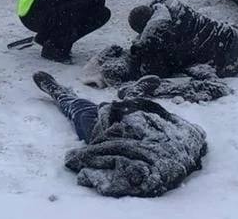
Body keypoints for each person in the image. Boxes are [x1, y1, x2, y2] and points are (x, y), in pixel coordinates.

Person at [32, 69, 208, 198]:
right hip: (137, 119)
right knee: (131, 107)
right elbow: (184, 130)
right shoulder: (165, 135)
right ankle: (133, 95)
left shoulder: (134, 151)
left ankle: (62, 95)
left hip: (111, 130)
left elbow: (85, 158)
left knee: (82, 111)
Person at [128, 0, 238, 78]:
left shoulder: (159, 37)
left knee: (223, 49)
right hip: (232, 35)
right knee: (230, 37)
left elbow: (156, 72)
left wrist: (142, 50)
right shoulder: (171, 7)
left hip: (227, 62)